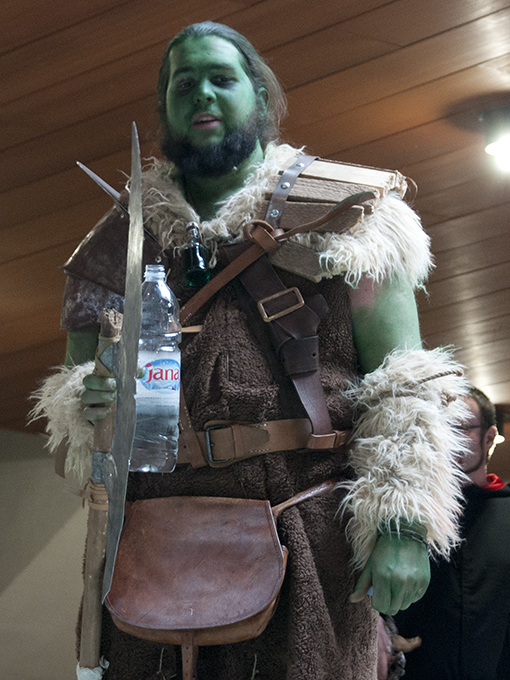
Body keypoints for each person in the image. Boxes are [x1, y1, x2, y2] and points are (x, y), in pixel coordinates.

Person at [32, 22, 469, 680]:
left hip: (310, 536)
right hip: (155, 548)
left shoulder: (348, 215)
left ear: (260, 97)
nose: (202, 93)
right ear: (164, 107)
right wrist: (89, 405)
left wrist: (403, 527)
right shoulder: (115, 247)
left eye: (221, 77)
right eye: (184, 83)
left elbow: (405, 387)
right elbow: (79, 405)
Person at [394, 386, 510, 679]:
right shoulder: (407, 513)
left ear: (488, 437)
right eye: (441, 428)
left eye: (460, 427)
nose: (447, 439)